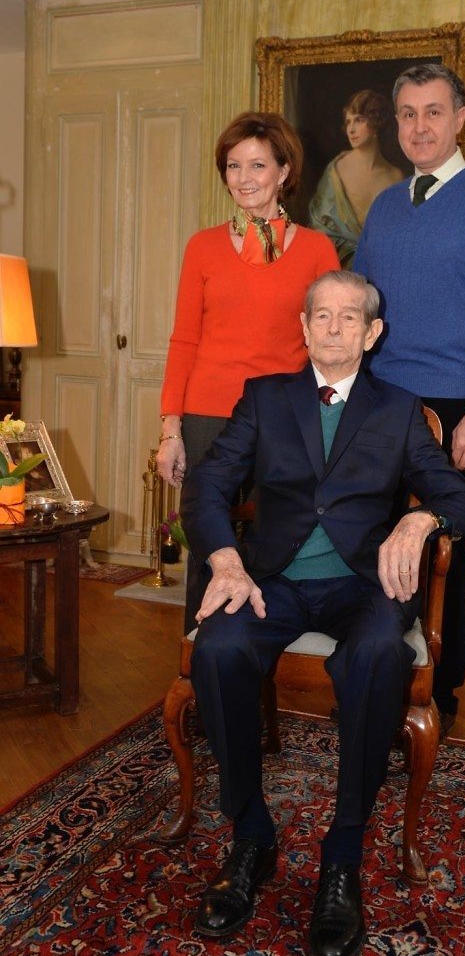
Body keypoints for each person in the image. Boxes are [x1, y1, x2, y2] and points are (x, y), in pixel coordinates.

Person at [181, 271, 465, 956]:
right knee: (218, 650)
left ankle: (342, 854)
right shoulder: (265, 398)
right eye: (322, 315)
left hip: (361, 585)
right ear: (304, 325)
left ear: (373, 333)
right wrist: (225, 559)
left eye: (350, 318)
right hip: (273, 581)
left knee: (379, 652)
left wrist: (419, 518)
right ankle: (251, 836)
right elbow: (208, 483)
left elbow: (464, 504)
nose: (334, 327)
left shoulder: (399, 408)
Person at [354, 64, 465, 737]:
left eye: (433, 112)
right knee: (372, 536)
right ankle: (376, 668)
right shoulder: (384, 207)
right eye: (407, 114)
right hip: (382, 399)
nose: (419, 126)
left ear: (461, 118)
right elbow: (364, 303)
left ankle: (439, 688)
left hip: (455, 400)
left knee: (438, 549)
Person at [158, 111, 340, 631]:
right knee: (207, 545)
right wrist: (171, 429)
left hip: (284, 416)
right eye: (233, 166)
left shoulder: (318, 250)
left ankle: (263, 653)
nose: (244, 178)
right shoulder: (202, 246)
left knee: (277, 545)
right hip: (208, 416)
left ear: (284, 171)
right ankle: (202, 663)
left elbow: (328, 342)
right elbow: (184, 338)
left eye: (257, 164)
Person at [309, 90, 403, 268]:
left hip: (382, 270)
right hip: (337, 270)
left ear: (375, 123)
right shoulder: (336, 170)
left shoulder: (395, 176)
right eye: (348, 122)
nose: (351, 130)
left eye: (359, 120)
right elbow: (320, 228)